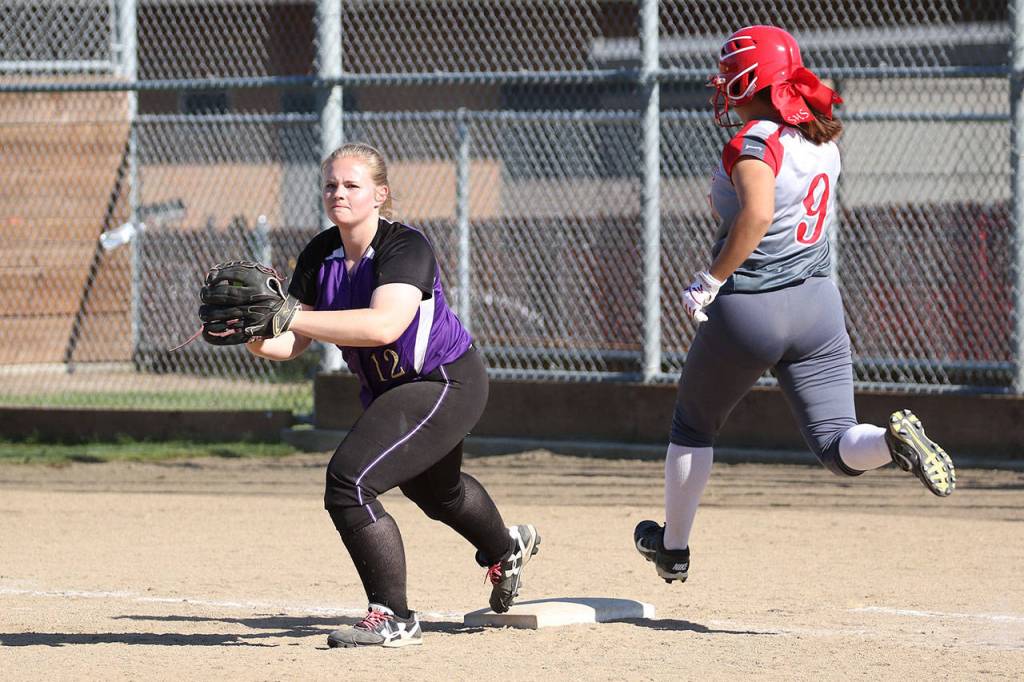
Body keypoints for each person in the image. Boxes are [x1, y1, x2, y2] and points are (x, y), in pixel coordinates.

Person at [633, 25, 956, 585]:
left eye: (731, 76)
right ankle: (892, 442)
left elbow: (755, 216)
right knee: (837, 442)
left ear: (750, 80)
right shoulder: (821, 136)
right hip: (818, 306)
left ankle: (674, 548)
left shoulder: (755, 141)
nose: (723, 87)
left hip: (752, 307)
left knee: (693, 425)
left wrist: (709, 279)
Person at [244, 142, 540, 647]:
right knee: (436, 493)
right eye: (332, 184)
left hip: (444, 381)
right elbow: (295, 340)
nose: (339, 193)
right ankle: (506, 547)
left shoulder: (406, 247)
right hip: (391, 390)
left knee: (349, 482)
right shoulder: (320, 253)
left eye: (352, 185)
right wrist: (247, 335)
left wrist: (289, 315)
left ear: (380, 195)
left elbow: (384, 325)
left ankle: (395, 617)